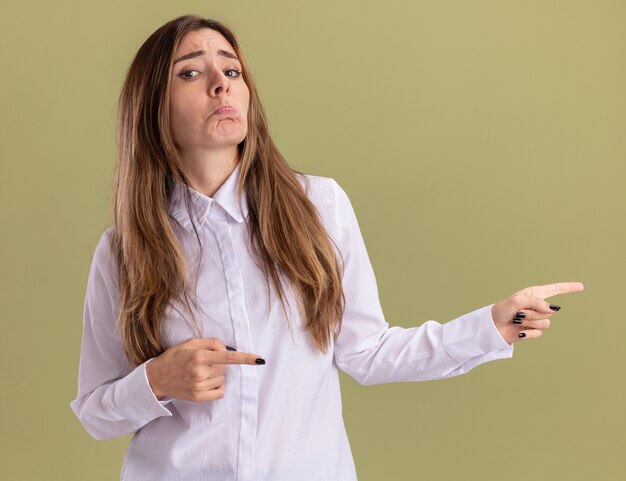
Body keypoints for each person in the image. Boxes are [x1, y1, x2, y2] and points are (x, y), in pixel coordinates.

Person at [69, 14, 585, 481]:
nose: (220, 84)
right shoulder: (123, 250)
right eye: (189, 72)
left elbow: (367, 351)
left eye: (232, 70)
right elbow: (94, 412)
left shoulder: (318, 205)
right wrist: (157, 380)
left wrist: (491, 327)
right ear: (151, 106)